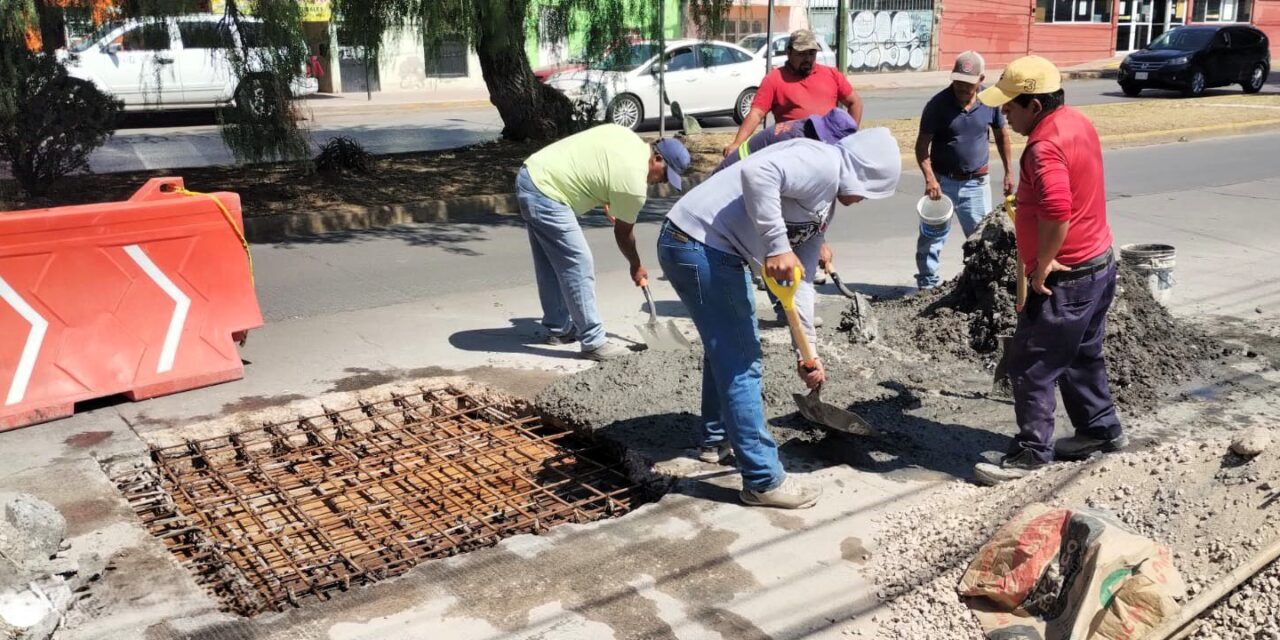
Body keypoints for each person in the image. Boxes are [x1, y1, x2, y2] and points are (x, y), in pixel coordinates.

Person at [659, 128, 901, 508]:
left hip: (703, 246)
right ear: (864, 172)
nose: (863, 200)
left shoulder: (824, 204)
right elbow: (758, 174)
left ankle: (715, 439)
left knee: (725, 348)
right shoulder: (822, 162)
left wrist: (807, 351)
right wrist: (776, 245)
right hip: (698, 243)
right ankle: (762, 480)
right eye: (870, 191)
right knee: (743, 361)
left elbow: (800, 284)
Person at [970, 56, 1127, 486]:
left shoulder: (1044, 147)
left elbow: (1059, 210)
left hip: (1069, 274)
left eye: (1010, 106)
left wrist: (1041, 268)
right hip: (1098, 262)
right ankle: (1100, 429)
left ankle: (1033, 453)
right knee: (1082, 353)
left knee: (1032, 364)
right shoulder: (1077, 121)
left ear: (1034, 106)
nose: (1003, 112)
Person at [517, 124, 690, 361]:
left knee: (550, 262)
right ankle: (593, 341)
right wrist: (635, 264)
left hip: (531, 174)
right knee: (578, 262)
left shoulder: (627, 137)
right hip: (548, 192)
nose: (661, 182)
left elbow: (595, 160)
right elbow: (623, 234)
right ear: (657, 158)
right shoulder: (634, 185)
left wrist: (607, 195)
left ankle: (558, 328)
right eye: (664, 175)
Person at [914, 50, 1014, 289]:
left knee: (984, 240)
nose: (961, 87)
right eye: (958, 80)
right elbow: (921, 146)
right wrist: (930, 179)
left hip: (976, 184)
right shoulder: (937, 105)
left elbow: (1002, 136)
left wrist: (1009, 171)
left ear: (980, 80)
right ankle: (927, 286)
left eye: (968, 83)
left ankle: (982, 286)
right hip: (942, 184)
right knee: (931, 239)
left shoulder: (990, 101)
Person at [723, 29, 864, 156]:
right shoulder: (775, 79)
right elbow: (756, 113)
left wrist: (849, 137)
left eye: (812, 53)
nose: (808, 59)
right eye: (801, 54)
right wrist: (737, 143)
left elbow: (855, 102)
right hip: (792, 153)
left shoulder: (831, 74)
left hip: (828, 151)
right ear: (789, 53)